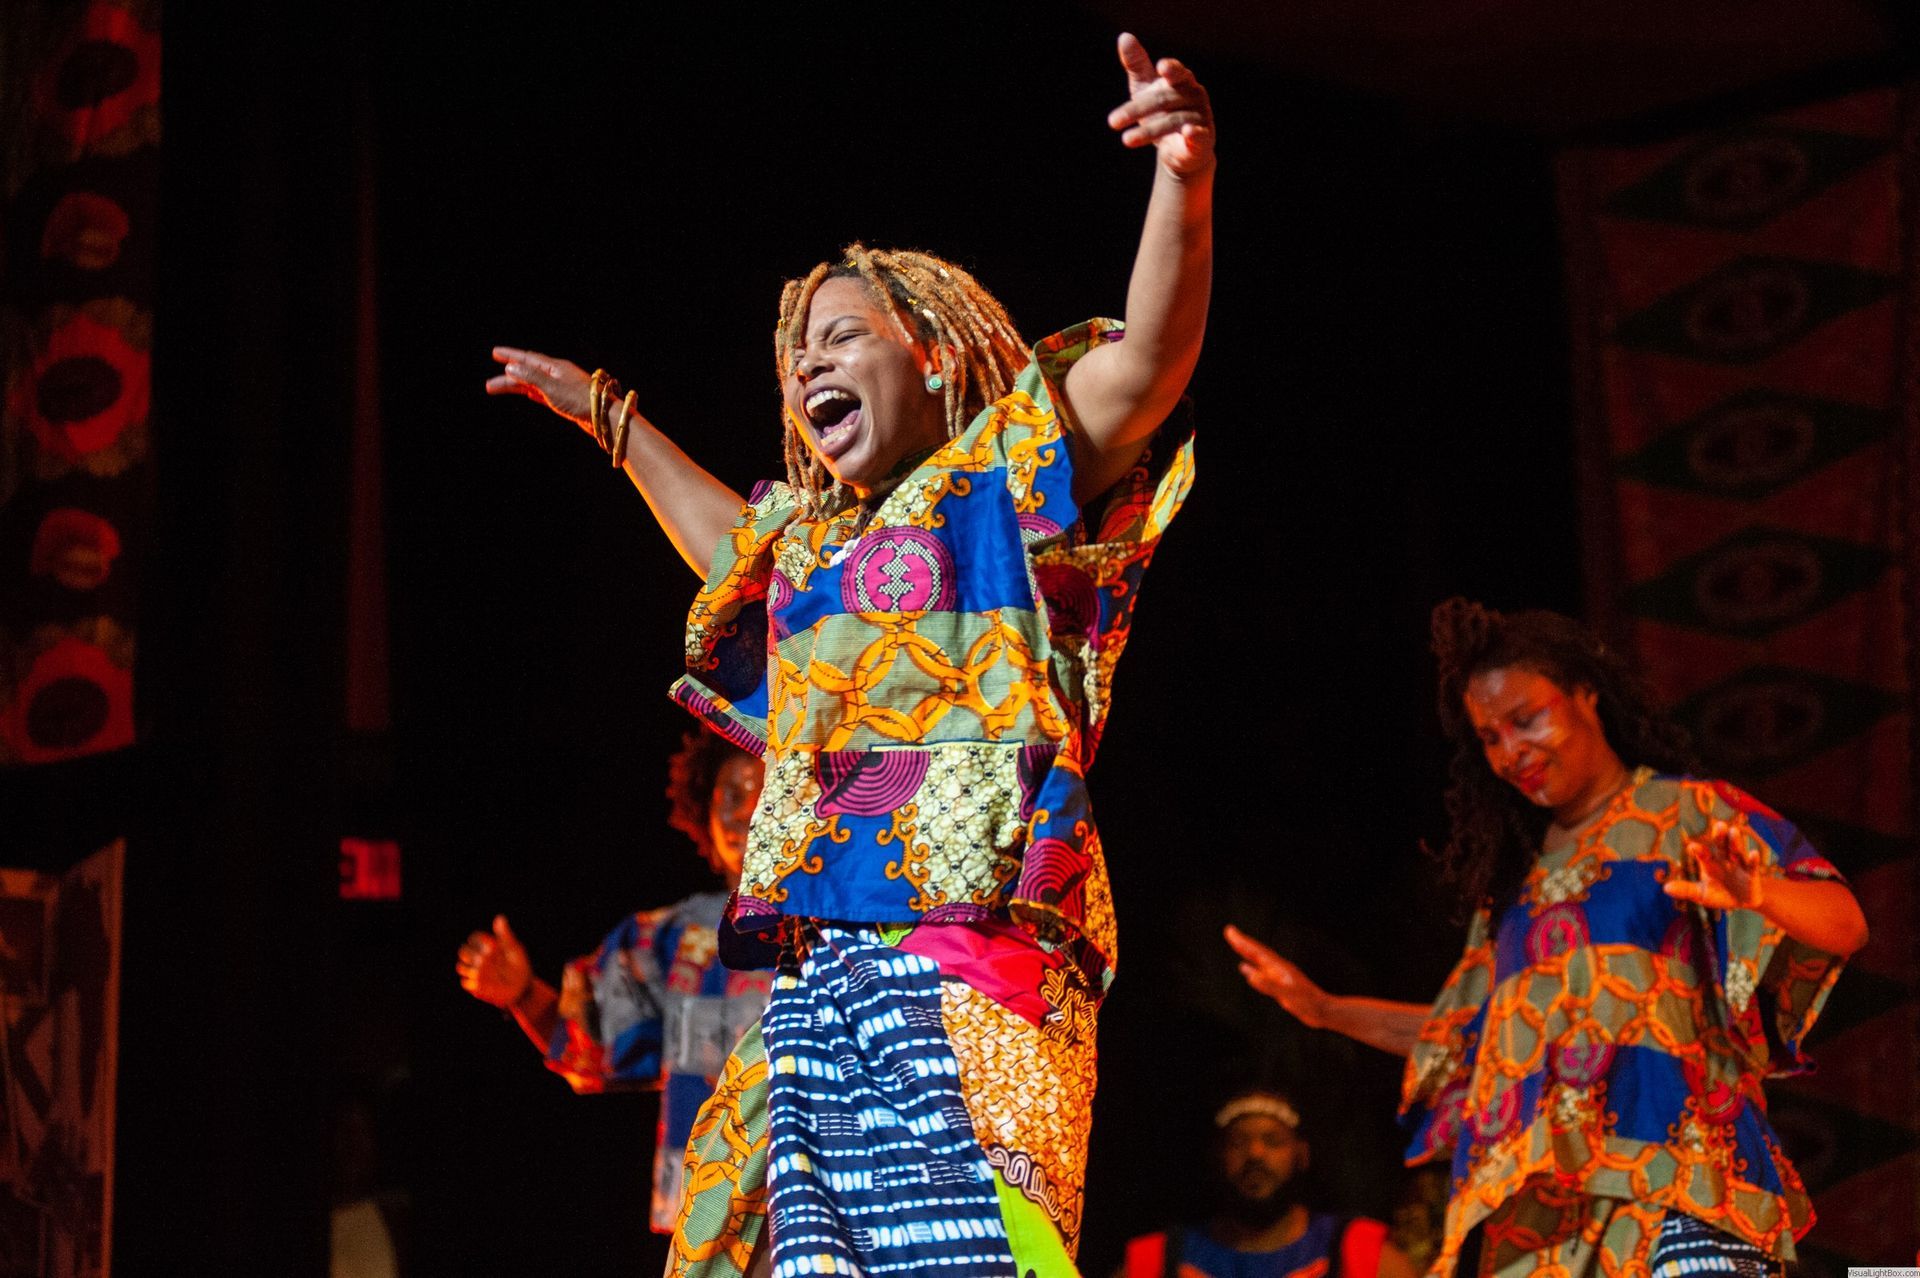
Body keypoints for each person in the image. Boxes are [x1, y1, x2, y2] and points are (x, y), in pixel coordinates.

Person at [483, 30, 1212, 1278]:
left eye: (841, 334)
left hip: (974, 947)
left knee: (974, 1255)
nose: (810, 359)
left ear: (929, 348)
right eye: (798, 351)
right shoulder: (813, 550)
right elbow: (725, 542)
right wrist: (615, 422)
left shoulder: (1000, 482)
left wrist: (1183, 178)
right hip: (824, 958)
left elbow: (1144, 363)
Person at [1226, 599, 1868, 1278]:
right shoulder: (1516, 896)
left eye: (1525, 719)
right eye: (1490, 738)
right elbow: (1468, 1035)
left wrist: (1757, 893)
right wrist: (1324, 1009)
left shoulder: (1688, 814)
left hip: (1678, 1190)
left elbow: (1845, 922)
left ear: (1585, 693)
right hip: (1545, 1231)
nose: (1510, 752)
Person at [455, 729, 770, 1235]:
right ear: (704, 814)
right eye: (730, 795)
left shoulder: (847, 929)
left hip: (820, 1206)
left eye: (763, 790)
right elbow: (591, 1040)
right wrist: (523, 995)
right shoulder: (673, 939)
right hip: (709, 1221)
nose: (745, 811)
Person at [1118, 1088, 1417, 1278]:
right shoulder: (1156, 1262)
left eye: (1273, 1141)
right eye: (1238, 1142)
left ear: (1301, 1155)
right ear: (1218, 1156)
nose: (1255, 1154)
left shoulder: (1361, 1255)